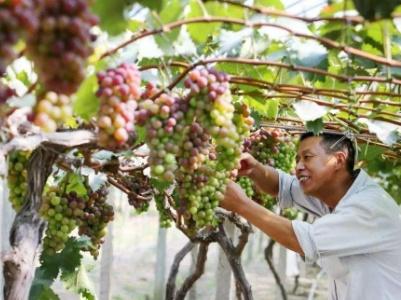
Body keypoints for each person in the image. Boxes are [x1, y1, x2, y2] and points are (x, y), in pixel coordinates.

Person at [221, 131, 401, 300]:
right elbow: (282, 186)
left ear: (338, 160)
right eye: (297, 159)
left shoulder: (367, 207)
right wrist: (255, 170)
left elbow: (302, 239)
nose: (298, 166)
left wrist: (242, 205)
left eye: (307, 157)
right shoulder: (335, 192)